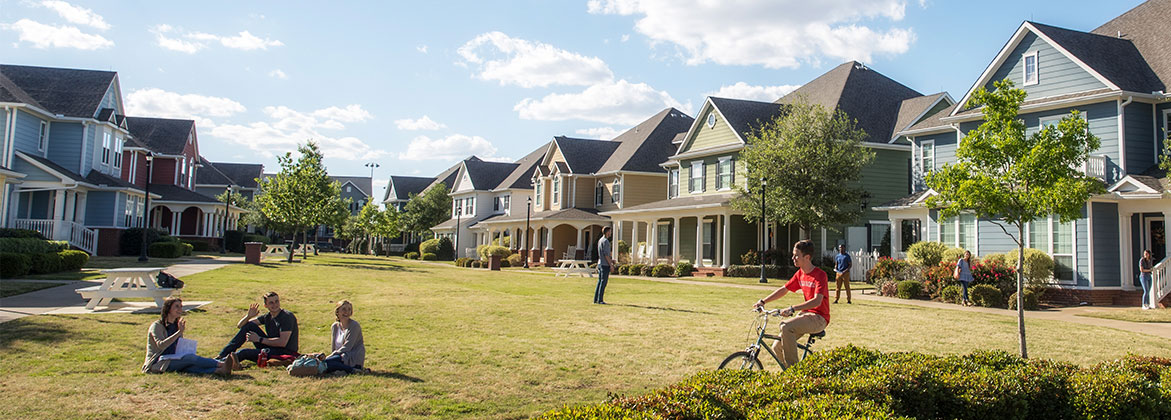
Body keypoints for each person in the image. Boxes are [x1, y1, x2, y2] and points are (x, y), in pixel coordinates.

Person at [752, 239, 830, 369]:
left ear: (807, 257)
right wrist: (763, 301)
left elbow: (817, 301)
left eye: (796, 255)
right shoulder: (800, 274)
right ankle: (788, 374)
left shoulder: (820, 275)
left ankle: (795, 372)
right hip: (806, 315)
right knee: (776, 347)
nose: (793, 258)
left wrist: (793, 308)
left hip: (819, 318)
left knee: (786, 326)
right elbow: (784, 289)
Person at [143, 297, 233, 376]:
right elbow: (161, 345)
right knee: (190, 359)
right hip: (158, 362)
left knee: (189, 366)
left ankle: (219, 371)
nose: (180, 309)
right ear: (168, 309)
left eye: (181, 306)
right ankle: (222, 364)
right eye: (176, 306)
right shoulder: (157, 325)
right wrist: (179, 332)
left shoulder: (176, 325)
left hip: (173, 357)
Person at [217, 291, 299, 366]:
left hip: (283, 352)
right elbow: (241, 326)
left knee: (245, 352)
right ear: (265, 305)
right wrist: (248, 316)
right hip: (271, 348)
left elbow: (282, 343)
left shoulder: (287, 317)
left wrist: (259, 339)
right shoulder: (267, 317)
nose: (275, 305)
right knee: (249, 326)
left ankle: (221, 364)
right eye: (271, 303)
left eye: (277, 301)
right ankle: (222, 356)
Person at [322, 300, 366, 374]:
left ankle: (352, 370)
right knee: (325, 363)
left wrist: (332, 356)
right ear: (337, 312)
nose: (347, 312)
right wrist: (333, 355)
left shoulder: (354, 326)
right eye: (344, 309)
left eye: (349, 309)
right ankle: (340, 370)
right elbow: (334, 346)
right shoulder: (335, 326)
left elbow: (347, 347)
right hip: (339, 356)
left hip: (351, 356)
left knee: (326, 363)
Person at [594, 226, 615, 305]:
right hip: (604, 264)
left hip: (600, 263)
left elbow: (602, 254)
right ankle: (600, 300)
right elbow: (606, 254)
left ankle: (596, 299)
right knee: (603, 282)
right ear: (607, 232)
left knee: (600, 281)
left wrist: (611, 260)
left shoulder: (600, 240)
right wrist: (611, 264)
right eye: (610, 231)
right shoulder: (606, 241)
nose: (610, 233)